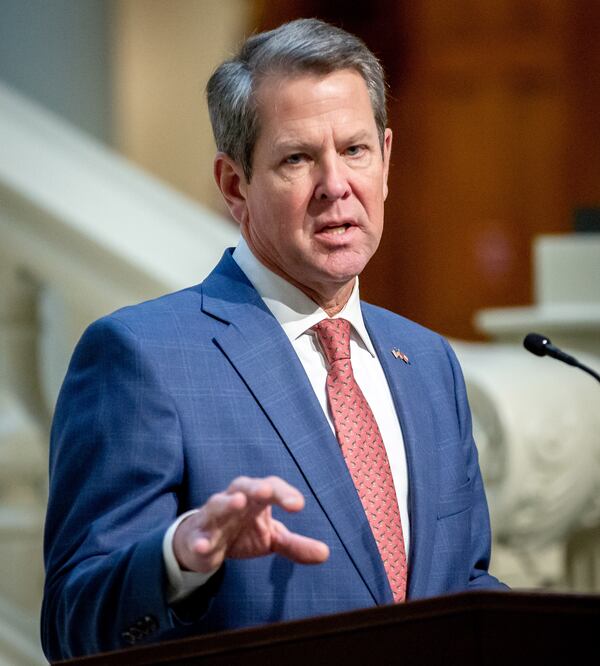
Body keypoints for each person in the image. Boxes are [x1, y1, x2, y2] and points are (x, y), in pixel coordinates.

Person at [41, 18, 507, 662]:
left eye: (355, 150)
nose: (336, 186)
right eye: (297, 158)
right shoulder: (141, 356)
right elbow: (73, 626)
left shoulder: (428, 361)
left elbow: (464, 585)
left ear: (387, 159)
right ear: (235, 185)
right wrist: (178, 558)